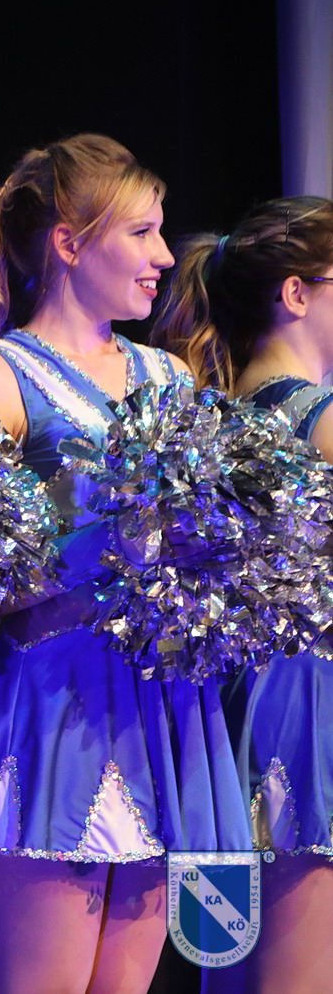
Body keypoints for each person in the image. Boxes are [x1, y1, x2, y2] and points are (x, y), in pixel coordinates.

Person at [0, 133, 250, 993]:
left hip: (160, 709)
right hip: (55, 707)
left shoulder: (169, 377)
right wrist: (105, 547)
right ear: (70, 243)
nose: (163, 256)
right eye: (140, 233)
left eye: (161, 231)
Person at [153, 195, 333, 994]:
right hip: (306, 713)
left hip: (217, 717)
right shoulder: (320, 420)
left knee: (227, 974)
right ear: (297, 292)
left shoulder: (212, 418)